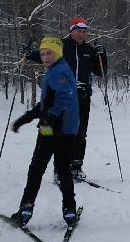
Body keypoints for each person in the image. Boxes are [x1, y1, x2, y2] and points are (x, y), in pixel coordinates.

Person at [23, 18, 108, 180]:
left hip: (82, 95)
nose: (82, 34)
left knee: (80, 131)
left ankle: (76, 166)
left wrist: (102, 55)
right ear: (71, 31)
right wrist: (29, 55)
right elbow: (45, 56)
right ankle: (60, 170)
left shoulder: (89, 50)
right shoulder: (61, 45)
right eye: (79, 31)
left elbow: (101, 72)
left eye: (84, 32)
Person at [9, 35, 80, 227]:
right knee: (62, 169)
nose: (45, 57)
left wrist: (48, 118)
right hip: (64, 128)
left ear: (58, 53)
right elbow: (47, 101)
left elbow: (65, 98)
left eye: (49, 53)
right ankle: (69, 211)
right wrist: (28, 117)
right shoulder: (55, 69)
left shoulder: (60, 71)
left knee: (38, 167)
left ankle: (26, 209)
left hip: (55, 128)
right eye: (42, 53)